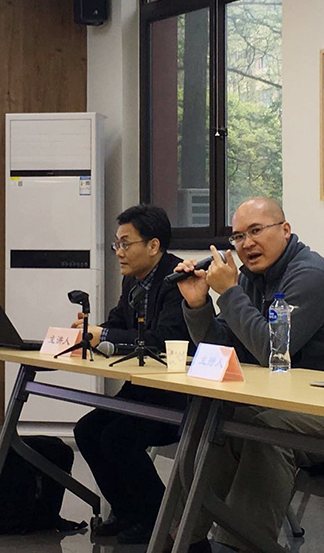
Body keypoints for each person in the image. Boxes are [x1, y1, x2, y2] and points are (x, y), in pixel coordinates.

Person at [173, 197, 324, 551]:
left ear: (285, 230)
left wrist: (230, 292)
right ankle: (182, 538)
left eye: (256, 231)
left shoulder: (311, 275)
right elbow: (222, 348)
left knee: (268, 430)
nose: (246, 243)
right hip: (312, 403)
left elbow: (272, 350)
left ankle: (239, 546)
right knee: (220, 416)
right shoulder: (251, 279)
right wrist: (198, 303)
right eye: (238, 236)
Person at [72, 204, 189, 545]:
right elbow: (117, 324)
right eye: (116, 244)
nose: (119, 252)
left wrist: (105, 335)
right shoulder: (132, 282)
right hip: (141, 391)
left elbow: (164, 340)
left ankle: (155, 518)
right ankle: (127, 512)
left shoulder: (177, 280)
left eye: (126, 244)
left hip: (175, 396)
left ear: (153, 246)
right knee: (87, 430)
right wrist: (91, 332)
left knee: (117, 438)